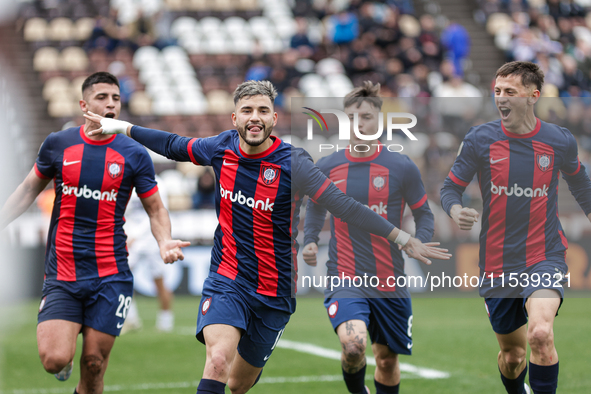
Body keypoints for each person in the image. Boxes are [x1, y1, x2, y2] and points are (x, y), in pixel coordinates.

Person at [83, 80, 451, 394]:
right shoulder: (221, 148)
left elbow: (344, 205)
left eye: (262, 110)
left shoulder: (296, 164)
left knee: (238, 385)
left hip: (274, 292)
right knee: (217, 360)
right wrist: (123, 128)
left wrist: (401, 236)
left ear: (274, 118)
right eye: (247, 110)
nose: (254, 117)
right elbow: (175, 144)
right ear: (235, 118)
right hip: (228, 278)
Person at [0, 72, 190, 394]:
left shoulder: (134, 153)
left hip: (111, 272)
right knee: (54, 360)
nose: (111, 104)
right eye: (102, 97)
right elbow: (28, 189)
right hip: (63, 271)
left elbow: (156, 209)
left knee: (94, 364)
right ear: (83, 104)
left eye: (116, 98)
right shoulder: (58, 144)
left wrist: (164, 240)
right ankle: (65, 356)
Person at [440, 61, 591, 394]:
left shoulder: (558, 140)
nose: (501, 98)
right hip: (497, 263)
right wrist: (454, 208)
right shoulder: (481, 139)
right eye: (497, 91)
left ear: (533, 95)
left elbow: (581, 185)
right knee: (513, 355)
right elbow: (450, 187)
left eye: (510, 91)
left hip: (544, 253)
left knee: (539, 333)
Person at [303, 81, 435, 394]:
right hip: (344, 276)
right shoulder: (328, 166)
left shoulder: (401, 167)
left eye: (365, 117)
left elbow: (424, 214)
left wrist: (422, 241)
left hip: (390, 280)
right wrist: (309, 239)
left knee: (387, 360)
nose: (358, 124)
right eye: (351, 117)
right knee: (353, 346)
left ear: (379, 120)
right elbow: (315, 208)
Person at [123, 176, 175, 333]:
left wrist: (136, 235)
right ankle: (131, 319)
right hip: (133, 241)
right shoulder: (127, 181)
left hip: (153, 239)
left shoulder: (159, 183)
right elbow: (126, 213)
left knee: (159, 281)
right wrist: (128, 233)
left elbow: (158, 211)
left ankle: (166, 321)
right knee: (124, 278)